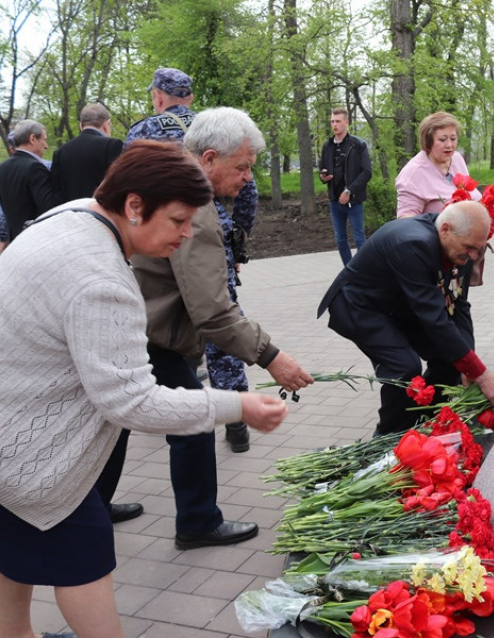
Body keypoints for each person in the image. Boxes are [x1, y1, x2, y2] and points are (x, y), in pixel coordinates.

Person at [0, 141, 288, 638]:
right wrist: (237, 404)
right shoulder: (103, 280)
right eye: (178, 220)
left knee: (17, 548)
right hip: (35, 461)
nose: (185, 233)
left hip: (9, 437)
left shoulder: (68, 216)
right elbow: (132, 402)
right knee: (83, 554)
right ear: (134, 206)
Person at [97, 107, 314, 551]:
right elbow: (212, 312)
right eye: (243, 167)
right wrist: (273, 357)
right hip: (152, 336)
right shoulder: (192, 208)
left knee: (114, 424)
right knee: (192, 422)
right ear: (210, 158)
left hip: (137, 328)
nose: (248, 178)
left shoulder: (176, 190)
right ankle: (195, 522)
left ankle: (94, 506)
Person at [126, 66, 260, 453]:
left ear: (158, 96)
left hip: (158, 249)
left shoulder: (143, 131)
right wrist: (238, 245)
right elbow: (246, 194)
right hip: (212, 239)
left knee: (187, 327)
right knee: (221, 321)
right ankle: (235, 423)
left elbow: (127, 188)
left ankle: (176, 404)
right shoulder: (217, 127)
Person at [318, 200, 494, 435]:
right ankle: (388, 440)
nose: (473, 255)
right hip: (359, 305)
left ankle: (426, 425)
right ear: (445, 229)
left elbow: (459, 307)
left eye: (479, 249)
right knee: (403, 367)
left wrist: (470, 366)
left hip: (401, 305)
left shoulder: (461, 249)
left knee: (450, 359)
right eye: (470, 247)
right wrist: (482, 375)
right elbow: (434, 319)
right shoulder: (412, 243)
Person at [395, 112, 481, 218]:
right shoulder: (413, 173)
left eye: (453, 139)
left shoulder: (456, 158)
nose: (449, 145)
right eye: (442, 140)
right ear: (428, 142)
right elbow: (405, 220)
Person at [318, 108, 372, 264]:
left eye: (338, 121)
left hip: (353, 200)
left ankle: (363, 272)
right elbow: (322, 169)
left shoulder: (358, 145)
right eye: (332, 121)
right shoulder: (327, 146)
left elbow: (367, 172)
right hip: (335, 201)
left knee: (359, 238)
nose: (334, 125)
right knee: (340, 240)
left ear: (346, 122)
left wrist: (349, 190)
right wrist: (323, 176)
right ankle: (349, 272)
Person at [0, 119, 62, 242]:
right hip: (36, 240)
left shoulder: (3, 167)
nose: (46, 146)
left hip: (14, 241)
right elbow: (49, 207)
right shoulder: (35, 168)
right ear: (33, 139)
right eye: (44, 139)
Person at [50, 103, 123, 200]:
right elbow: (119, 184)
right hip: (101, 211)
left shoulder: (60, 153)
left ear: (80, 126)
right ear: (107, 124)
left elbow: (57, 191)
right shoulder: (112, 145)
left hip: (70, 212)